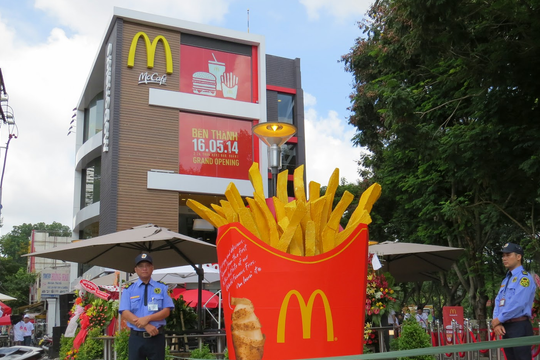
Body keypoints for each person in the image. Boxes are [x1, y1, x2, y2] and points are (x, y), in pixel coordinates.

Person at [119, 253, 174, 360]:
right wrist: (145, 325)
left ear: (152, 268)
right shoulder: (129, 289)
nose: (144, 268)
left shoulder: (162, 287)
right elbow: (125, 312)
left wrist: (148, 319)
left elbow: (166, 311)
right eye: (141, 266)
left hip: (156, 337)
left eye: (147, 265)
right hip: (136, 338)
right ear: (136, 269)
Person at [491, 242, 536, 360]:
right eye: (503, 256)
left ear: (518, 257)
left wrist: (498, 320)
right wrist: (497, 322)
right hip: (506, 326)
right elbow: (498, 301)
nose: (504, 258)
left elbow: (518, 304)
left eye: (508, 255)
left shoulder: (524, 278)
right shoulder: (506, 279)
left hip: (519, 325)